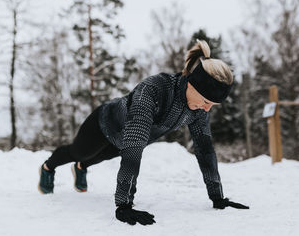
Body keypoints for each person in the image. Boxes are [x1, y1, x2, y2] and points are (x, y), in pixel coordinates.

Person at [38, 39, 249, 226]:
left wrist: (217, 197)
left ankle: (82, 167)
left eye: (212, 104)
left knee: (100, 157)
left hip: (125, 139)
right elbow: (133, 147)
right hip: (104, 124)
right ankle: (48, 167)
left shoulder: (197, 110)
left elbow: (205, 150)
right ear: (193, 85)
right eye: (205, 101)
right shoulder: (154, 90)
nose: (207, 109)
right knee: (80, 151)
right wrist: (123, 205)